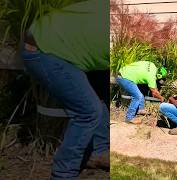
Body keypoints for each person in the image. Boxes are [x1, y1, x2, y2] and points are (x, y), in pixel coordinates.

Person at [20, 0, 109, 179]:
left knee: (100, 96)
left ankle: (99, 152)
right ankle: (63, 174)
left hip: (61, 43)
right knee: (88, 111)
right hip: (44, 49)